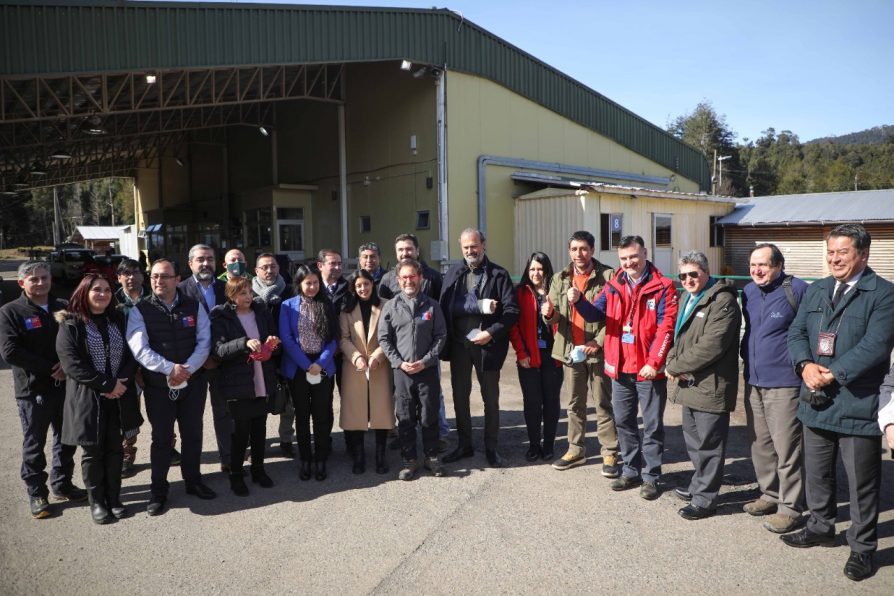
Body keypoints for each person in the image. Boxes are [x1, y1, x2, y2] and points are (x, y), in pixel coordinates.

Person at [782, 224, 894, 582]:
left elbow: (875, 347)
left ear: (863, 254)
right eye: (830, 252)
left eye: (842, 253)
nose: (834, 259)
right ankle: (820, 524)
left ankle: (862, 549)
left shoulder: (884, 294)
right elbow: (796, 332)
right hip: (815, 399)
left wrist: (830, 373)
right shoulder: (816, 290)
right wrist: (804, 365)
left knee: (862, 482)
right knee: (817, 472)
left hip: (857, 403)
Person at [571, 235, 678, 500]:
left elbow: (666, 328)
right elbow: (597, 315)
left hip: (648, 371)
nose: (629, 262)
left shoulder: (663, 287)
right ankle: (631, 470)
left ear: (644, 254)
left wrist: (654, 363)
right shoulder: (615, 283)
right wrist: (578, 301)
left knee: (652, 426)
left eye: (633, 257)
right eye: (624, 258)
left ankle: (651, 476)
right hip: (619, 367)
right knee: (624, 421)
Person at [127, 258, 215, 516]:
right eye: (154, 276)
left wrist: (186, 369)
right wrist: (170, 369)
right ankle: (158, 490)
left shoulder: (193, 305)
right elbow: (139, 348)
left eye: (165, 276)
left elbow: (204, 340)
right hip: (158, 387)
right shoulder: (140, 310)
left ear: (178, 279)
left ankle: (193, 481)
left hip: (193, 384)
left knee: (193, 435)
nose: (158, 281)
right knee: (162, 439)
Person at [0, 261, 86, 519]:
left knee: (67, 438)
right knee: (34, 444)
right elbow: (10, 351)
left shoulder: (63, 306)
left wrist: (67, 367)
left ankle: (62, 484)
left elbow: (78, 338)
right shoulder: (10, 312)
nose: (40, 283)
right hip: (33, 390)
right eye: (34, 279)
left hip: (65, 386)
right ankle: (37, 493)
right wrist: (51, 368)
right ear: (21, 283)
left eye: (44, 277)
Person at [55, 274, 142, 524]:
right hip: (87, 399)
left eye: (106, 289)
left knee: (115, 449)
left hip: (118, 397)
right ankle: (97, 503)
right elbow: (71, 364)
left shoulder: (118, 319)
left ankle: (114, 498)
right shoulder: (70, 323)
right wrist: (106, 384)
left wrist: (120, 382)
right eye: (96, 289)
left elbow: (131, 353)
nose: (103, 294)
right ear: (84, 292)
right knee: (92, 453)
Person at [664, 251, 741, 521]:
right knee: (694, 442)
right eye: (682, 275)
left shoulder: (723, 301)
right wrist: (672, 359)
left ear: (706, 272)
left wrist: (675, 366)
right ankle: (699, 486)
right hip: (690, 383)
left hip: (711, 384)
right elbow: (679, 336)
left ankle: (706, 500)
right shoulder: (689, 297)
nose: (687, 279)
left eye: (693, 274)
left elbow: (712, 345)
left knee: (709, 444)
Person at [740, 243, 809, 533]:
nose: (757, 270)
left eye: (763, 265)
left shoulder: (799, 290)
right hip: (753, 379)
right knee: (761, 444)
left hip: (785, 383)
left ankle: (791, 507)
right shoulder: (748, 291)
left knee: (787, 447)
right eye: (753, 265)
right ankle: (769, 493)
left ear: (779, 265)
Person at [541, 231, 619, 477]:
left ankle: (610, 452)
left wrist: (598, 341)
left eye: (584, 248)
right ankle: (576, 449)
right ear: (569, 251)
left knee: (603, 404)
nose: (579, 254)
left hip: (597, 352)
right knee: (575, 405)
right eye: (574, 249)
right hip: (570, 352)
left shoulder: (608, 276)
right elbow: (554, 317)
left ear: (593, 250)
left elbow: (616, 317)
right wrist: (547, 313)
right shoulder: (560, 278)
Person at [439, 228, 519, 468]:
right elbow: (446, 306)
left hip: (488, 346)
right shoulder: (453, 273)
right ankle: (464, 445)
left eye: (474, 246)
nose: (470, 251)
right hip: (459, 346)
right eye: (465, 247)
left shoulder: (498, 275)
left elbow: (512, 311)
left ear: (483, 245)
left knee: (490, 399)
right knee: (460, 398)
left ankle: (491, 448)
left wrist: (490, 332)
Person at [378, 233, 450, 447]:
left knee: (434, 397)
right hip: (401, 352)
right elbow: (382, 313)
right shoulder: (388, 279)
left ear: (417, 251)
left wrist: (430, 355)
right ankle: (405, 435)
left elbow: (440, 313)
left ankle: (440, 433)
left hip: (427, 350)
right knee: (402, 397)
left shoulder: (433, 277)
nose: (404, 253)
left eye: (409, 249)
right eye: (400, 249)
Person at [210, 278, 280, 496]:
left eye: (249, 292)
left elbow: (274, 341)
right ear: (231, 296)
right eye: (242, 293)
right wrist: (243, 343)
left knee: (260, 428)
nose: (248, 296)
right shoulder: (222, 317)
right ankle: (236, 474)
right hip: (239, 382)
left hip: (262, 377)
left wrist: (272, 343)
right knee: (241, 432)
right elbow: (219, 351)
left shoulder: (261, 311)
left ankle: (258, 469)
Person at [116, 258, 175, 477]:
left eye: (135, 272)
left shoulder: (154, 300)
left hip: (155, 366)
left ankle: (168, 447)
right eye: (125, 273)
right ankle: (126, 453)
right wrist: (133, 370)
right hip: (124, 369)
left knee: (162, 411)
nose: (131, 277)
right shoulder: (111, 303)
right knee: (128, 414)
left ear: (143, 276)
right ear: (119, 277)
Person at [280, 264, 338, 481]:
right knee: (302, 416)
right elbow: (286, 339)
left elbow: (333, 339)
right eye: (308, 283)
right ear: (299, 284)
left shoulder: (327, 304)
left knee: (322, 415)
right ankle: (305, 458)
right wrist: (306, 365)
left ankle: (321, 457)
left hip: (322, 366)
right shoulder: (287, 306)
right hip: (298, 367)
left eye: (315, 282)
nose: (312, 286)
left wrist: (320, 363)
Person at [178, 244, 231, 472]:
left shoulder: (227, 288)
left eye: (209, 259)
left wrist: (216, 356)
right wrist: (202, 358)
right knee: (192, 419)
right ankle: (192, 470)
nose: (205, 263)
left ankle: (229, 461)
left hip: (222, 363)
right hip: (193, 365)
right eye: (200, 259)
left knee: (225, 414)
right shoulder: (180, 290)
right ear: (190, 263)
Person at [508, 252, 562, 462]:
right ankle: (533, 445)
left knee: (551, 402)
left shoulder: (556, 291)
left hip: (553, 356)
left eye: (539, 269)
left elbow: (564, 320)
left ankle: (548, 445)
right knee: (532, 403)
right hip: (528, 356)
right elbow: (513, 327)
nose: (536, 273)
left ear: (546, 269)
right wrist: (521, 353)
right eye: (532, 269)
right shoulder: (520, 292)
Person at [339, 269, 394, 474]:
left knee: (381, 411)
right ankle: (359, 456)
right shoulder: (346, 309)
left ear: (373, 284)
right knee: (356, 412)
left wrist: (377, 356)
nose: (363, 288)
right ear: (353, 287)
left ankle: (381, 456)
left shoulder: (386, 305)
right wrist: (357, 357)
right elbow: (343, 338)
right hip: (354, 367)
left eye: (366, 284)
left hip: (380, 365)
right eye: (358, 285)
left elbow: (390, 335)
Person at [253, 253, 297, 459]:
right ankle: (256, 444)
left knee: (287, 402)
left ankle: (286, 439)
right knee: (256, 403)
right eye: (264, 267)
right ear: (256, 271)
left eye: (273, 267)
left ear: (279, 268)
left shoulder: (289, 291)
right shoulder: (247, 293)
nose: (269, 271)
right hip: (255, 356)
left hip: (284, 353)